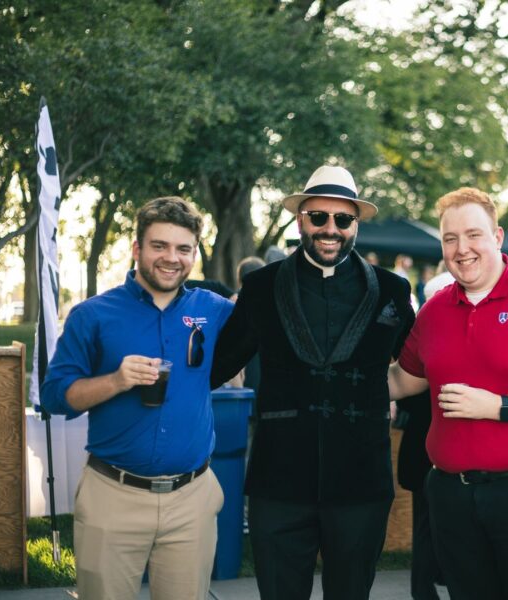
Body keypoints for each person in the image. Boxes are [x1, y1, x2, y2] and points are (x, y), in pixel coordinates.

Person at [210, 165, 415, 600]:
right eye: (319, 217)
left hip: (361, 483)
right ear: (301, 218)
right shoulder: (261, 287)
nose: (330, 229)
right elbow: (216, 365)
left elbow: (421, 365)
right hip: (278, 482)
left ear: (355, 224)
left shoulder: (393, 290)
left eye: (342, 220)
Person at [388, 187, 508, 600]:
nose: (462, 249)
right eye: (450, 239)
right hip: (451, 495)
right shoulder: (434, 310)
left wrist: (499, 406)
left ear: (497, 237)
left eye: (473, 235)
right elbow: (402, 381)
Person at [41, 196, 235, 600]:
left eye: (183, 249)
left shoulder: (215, 310)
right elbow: (56, 396)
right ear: (137, 249)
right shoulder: (93, 315)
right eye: (159, 246)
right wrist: (115, 380)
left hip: (191, 498)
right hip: (113, 495)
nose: (171, 258)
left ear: (194, 253)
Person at [395, 271, 454, 600]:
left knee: (428, 529)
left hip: (426, 452)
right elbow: (406, 389)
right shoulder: (427, 341)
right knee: (431, 528)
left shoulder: (424, 338)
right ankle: (426, 588)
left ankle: (428, 586)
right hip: (426, 453)